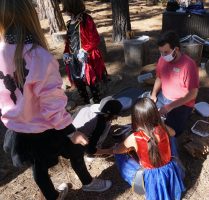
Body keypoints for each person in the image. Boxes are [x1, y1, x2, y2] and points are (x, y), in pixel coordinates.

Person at [0, 1, 111, 199]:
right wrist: (71, 131)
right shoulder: (37, 56)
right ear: (31, 18)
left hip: (19, 129)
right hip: (45, 128)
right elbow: (51, 104)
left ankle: (52, 196)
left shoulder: (1, 51)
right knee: (76, 150)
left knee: (38, 167)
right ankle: (88, 182)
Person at [96, 98, 185, 200]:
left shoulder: (134, 137)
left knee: (120, 154)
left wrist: (114, 149)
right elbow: (173, 133)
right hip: (168, 168)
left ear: (136, 117)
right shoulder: (163, 127)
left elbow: (118, 150)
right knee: (171, 141)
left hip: (152, 175)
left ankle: (147, 190)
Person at [150, 31, 199, 136]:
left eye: (166, 52)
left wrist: (170, 106)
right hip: (163, 97)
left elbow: (193, 94)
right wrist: (153, 94)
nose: (163, 56)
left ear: (176, 49)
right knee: (148, 117)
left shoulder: (189, 65)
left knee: (171, 131)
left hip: (182, 103)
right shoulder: (162, 59)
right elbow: (159, 77)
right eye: (161, 52)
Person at [62, 0, 107, 104]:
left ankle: (97, 104)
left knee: (92, 82)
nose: (65, 12)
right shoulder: (69, 23)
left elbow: (95, 39)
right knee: (79, 83)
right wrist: (66, 52)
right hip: (74, 58)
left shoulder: (86, 19)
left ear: (71, 7)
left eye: (66, 9)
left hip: (87, 57)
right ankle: (86, 103)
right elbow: (69, 42)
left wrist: (85, 50)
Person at [72, 96, 122, 160]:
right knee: (107, 125)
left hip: (71, 133)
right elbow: (90, 150)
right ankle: (92, 155)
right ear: (107, 114)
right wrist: (110, 151)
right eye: (115, 116)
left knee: (106, 124)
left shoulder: (88, 106)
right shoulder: (100, 123)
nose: (116, 117)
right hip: (77, 143)